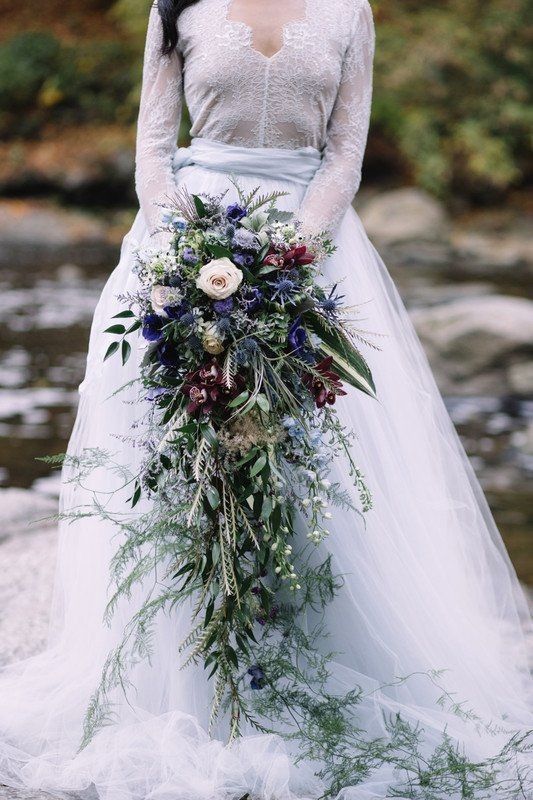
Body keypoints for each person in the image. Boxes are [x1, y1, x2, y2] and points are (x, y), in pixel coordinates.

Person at [0, 1, 531, 798]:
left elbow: (345, 153)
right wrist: (188, 253)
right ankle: (193, 673)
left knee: (309, 468)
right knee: (184, 466)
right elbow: (153, 145)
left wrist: (289, 258)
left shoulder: (349, 9)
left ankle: (305, 667)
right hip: (185, 247)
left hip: (310, 257)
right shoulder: (178, 4)